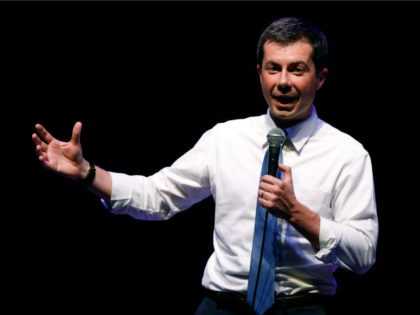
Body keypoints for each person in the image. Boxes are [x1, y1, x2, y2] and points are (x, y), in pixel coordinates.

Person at [32, 16, 378, 315]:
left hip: (304, 306)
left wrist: (298, 214)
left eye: (297, 69)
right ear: (260, 74)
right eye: (274, 68)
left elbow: (363, 254)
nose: (283, 81)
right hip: (222, 304)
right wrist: (87, 173)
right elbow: (157, 196)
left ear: (320, 78)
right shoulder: (224, 139)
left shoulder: (347, 155)